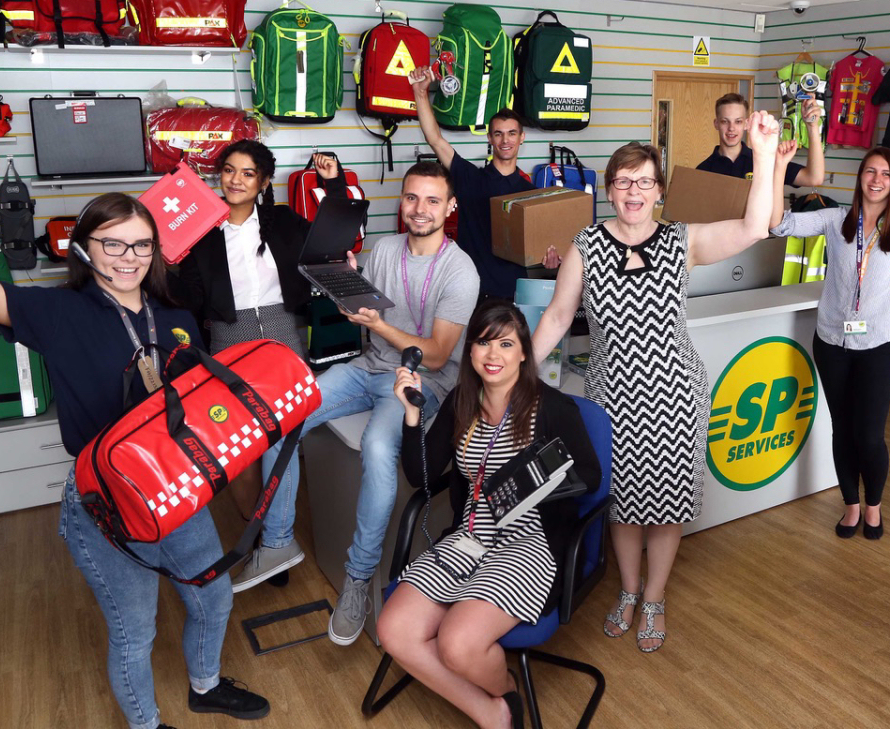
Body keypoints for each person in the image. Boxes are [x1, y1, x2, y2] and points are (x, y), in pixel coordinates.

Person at [0, 145, 269, 729]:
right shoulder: (61, 312)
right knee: (134, 629)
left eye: (141, 244)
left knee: (213, 595)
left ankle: (205, 685)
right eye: (112, 243)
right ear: (85, 248)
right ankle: (145, 725)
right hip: (104, 505)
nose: (129, 257)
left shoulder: (176, 317)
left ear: (157, 249)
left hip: (175, 492)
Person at [530, 112, 781, 653]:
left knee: (666, 506)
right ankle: (627, 590)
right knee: (621, 504)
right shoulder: (586, 245)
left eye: (644, 181)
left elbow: (755, 227)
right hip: (609, 395)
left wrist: (763, 156)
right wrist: (518, 374)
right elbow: (555, 317)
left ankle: (655, 598)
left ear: (660, 190)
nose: (633, 191)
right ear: (609, 191)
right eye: (623, 182)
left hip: (675, 395)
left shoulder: (680, 241)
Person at [258, 160, 480, 646]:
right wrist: (349, 289)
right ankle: (276, 541)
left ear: (451, 206)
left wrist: (375, 324)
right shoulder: (383, 248)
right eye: (411, 198)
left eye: (432, 200)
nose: (420, 209)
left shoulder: (460, 269)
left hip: (421, 380)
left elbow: (439, 353)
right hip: (369, 368)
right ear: (401, 201)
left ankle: (357, 579)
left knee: (380, 449)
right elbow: (367, 315)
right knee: (280, 415)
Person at [377, 299, 600, 729]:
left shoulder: (552, 408)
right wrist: (411, 415)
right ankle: (493, 711)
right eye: (483, 343)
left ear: (523, 352)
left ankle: (506, 687)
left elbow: (590, 476)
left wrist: (539, 481)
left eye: (505, 344)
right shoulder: (463, 401)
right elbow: (420, 474)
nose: (493, 355)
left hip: (529, 544)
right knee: (394, 630)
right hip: (471, 537)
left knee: (457, 645)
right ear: (471, 352)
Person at [172, 140, 342, 592]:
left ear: (263, 182)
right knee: (242, 448)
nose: (235, 180)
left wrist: (333, 184)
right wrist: (169, 251)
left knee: (281, 439)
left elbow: (332, 242)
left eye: (247, 174)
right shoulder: (201, 231)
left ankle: (275, 541)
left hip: (285, 334)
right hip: (228, 338)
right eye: (228, 170)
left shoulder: (284, 221)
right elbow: (186, 297)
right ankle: (259, 528)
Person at [768, 147, 890, 539]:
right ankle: (850, 506)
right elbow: (778, 226)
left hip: (876, 344)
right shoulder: (837, 218)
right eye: (870, 171)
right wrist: (776, 170)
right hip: (831, 341)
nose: (876, 179)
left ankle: (873, 505)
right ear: (860, 177)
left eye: (886, 174)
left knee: (869, 434)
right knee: (842, 428)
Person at [410, 65, 560, 300]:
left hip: (516, 297)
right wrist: (420, 94)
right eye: (498, 134)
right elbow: (435, 140)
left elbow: (542, 254)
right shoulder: (469, 177)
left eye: (511, 133)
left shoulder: (532, 194)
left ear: (522, 137)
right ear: (490, 138)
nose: (505, 140)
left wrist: (551, 263)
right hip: (470, 293)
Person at [697, 92, 825, 189]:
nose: (731, 128)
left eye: (738, 121)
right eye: (725, 121)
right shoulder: (702, 171)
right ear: (716, 124)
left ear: (747, 124)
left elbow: (814, 178)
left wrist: (812, 126)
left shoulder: (765, 161)